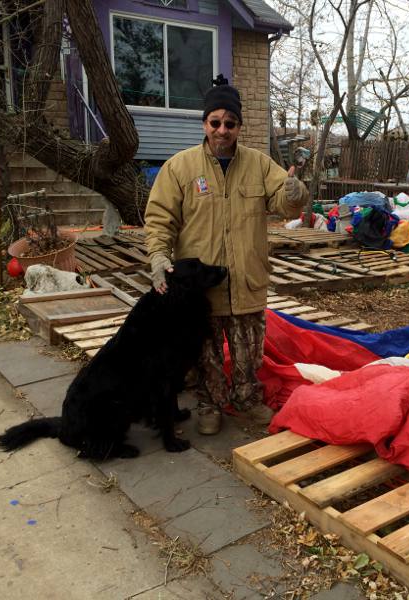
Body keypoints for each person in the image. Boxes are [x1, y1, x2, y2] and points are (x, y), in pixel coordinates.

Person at [143, 76, 308, 435]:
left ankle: (247, 399)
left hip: (247, 278)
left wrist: (295, 192)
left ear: (239, 127)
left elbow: (284, 201)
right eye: (215, 122)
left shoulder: (259, 165)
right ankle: (209, 404)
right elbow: (160, 218)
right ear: (204, 124)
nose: (222, 130)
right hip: (201, 288)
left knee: (249, 352)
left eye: (229, 123)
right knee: (206, 352)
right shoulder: (180, 168)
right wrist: (158, 256)